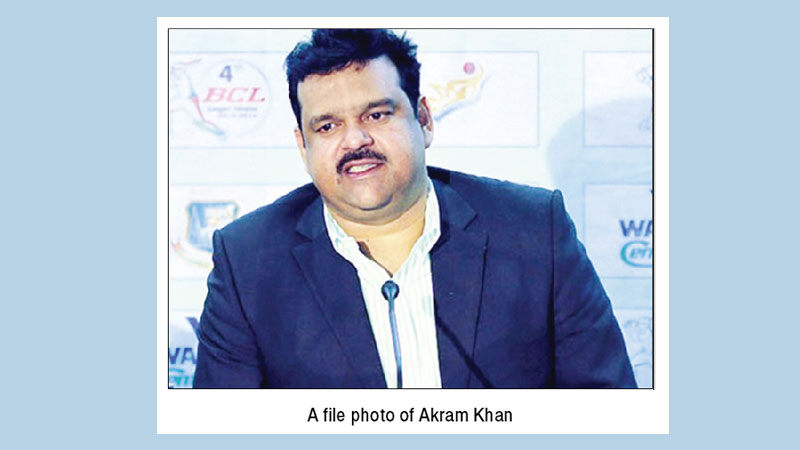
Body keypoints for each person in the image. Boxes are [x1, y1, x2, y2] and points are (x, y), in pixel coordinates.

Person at [193, 29, 636, 388]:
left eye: (376, 115)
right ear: (302, 146)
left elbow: (607, 409)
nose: (355, 141)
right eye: (327, 126)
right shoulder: (248, 262)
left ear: (423, 120)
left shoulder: (534, 230)